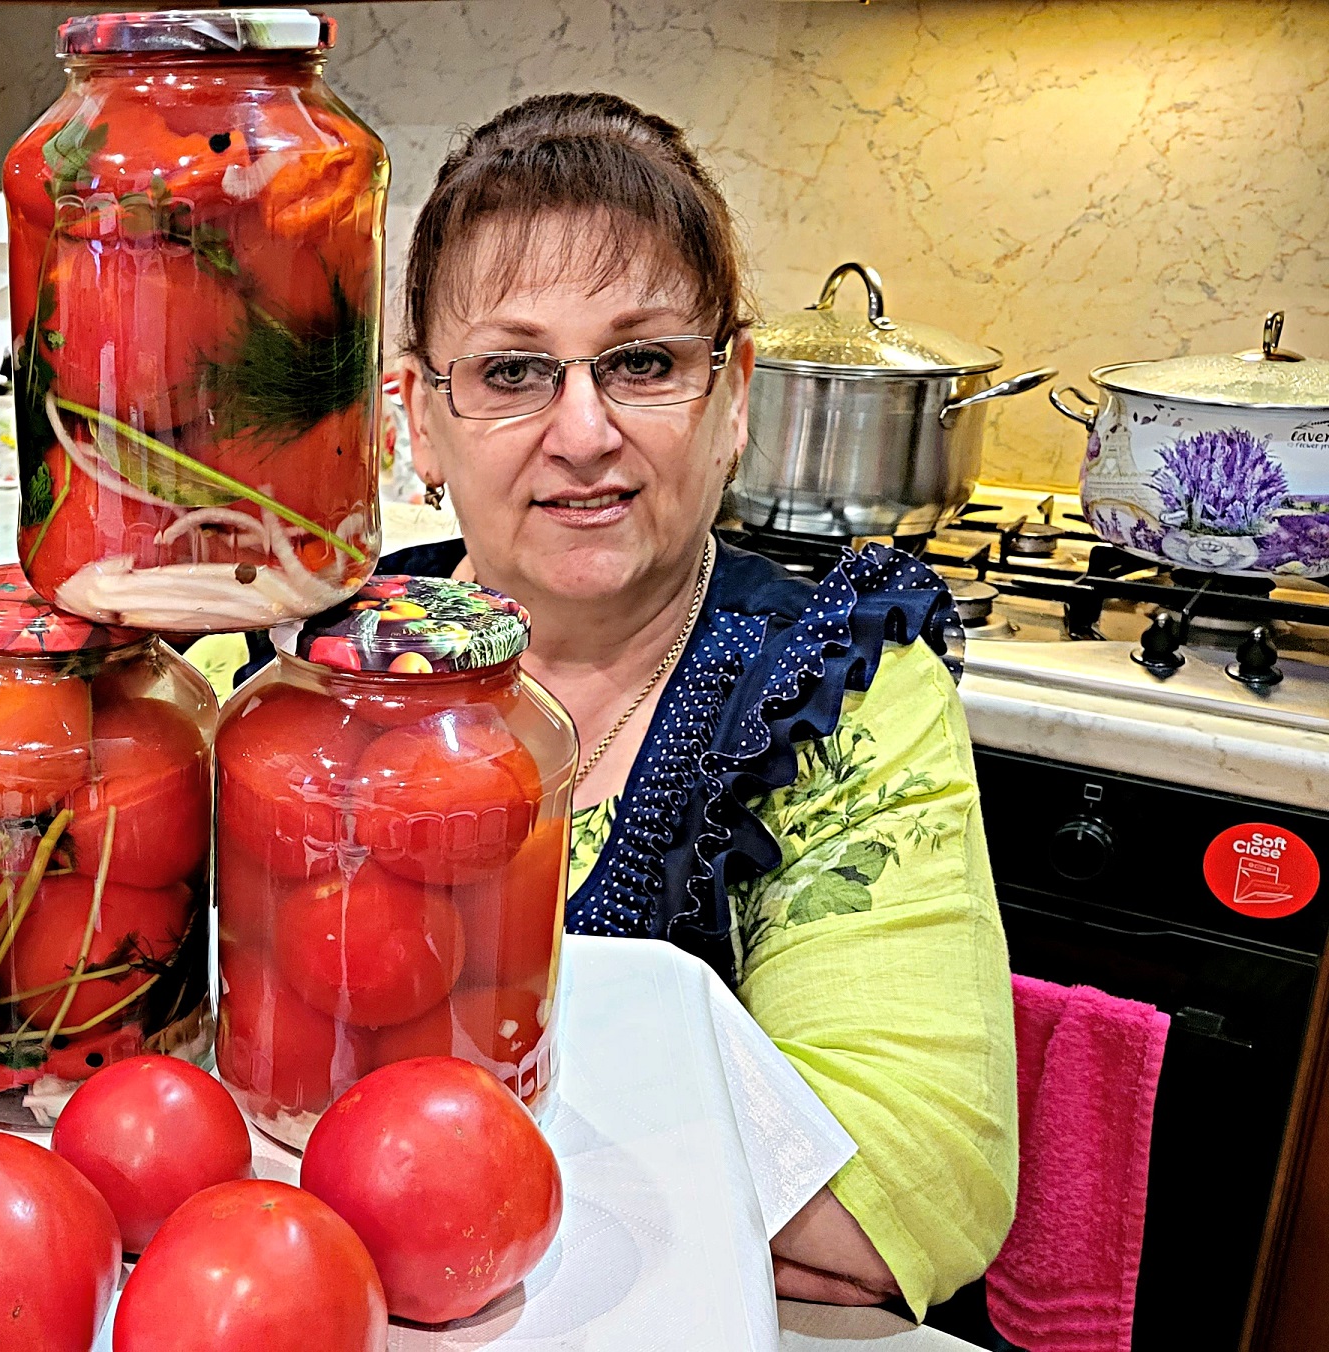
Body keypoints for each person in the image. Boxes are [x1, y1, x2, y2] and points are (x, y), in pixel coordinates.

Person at [387, 93, 1016, 1317]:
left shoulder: (839, 690)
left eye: (642, 362)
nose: (584, 431)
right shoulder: (290, 670)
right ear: (421, 414)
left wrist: (384, 1146)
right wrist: (692, 1176)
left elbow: (905, 1193)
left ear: (731, 394)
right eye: (513, 370)